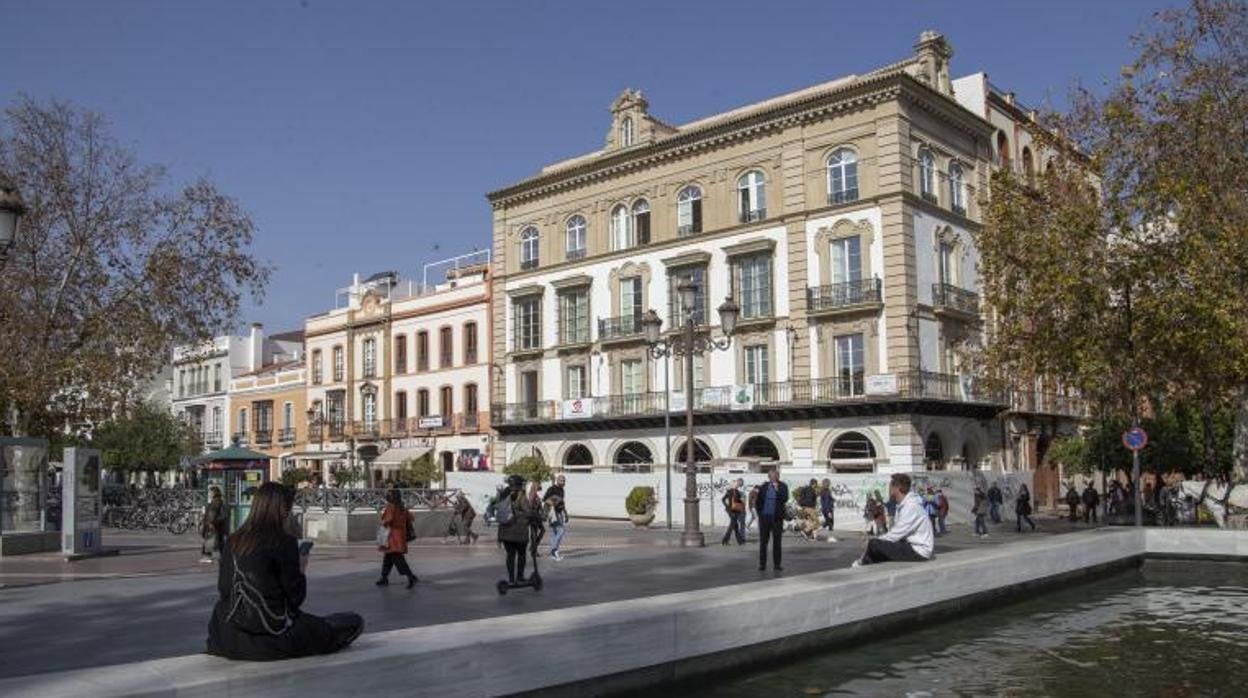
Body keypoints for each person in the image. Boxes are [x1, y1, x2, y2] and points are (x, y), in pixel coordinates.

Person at [206, 482, 363, 660]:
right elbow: (295, 599)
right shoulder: (282, 541)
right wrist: (301, 567)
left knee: (327, 623)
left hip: (227, 637)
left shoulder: (233, 541)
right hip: (269, 636)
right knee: (349, 623)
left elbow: (224, 589)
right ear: (283, 511)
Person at [851, 473, 934, 567]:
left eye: (890, 486)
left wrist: (872, 542)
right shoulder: (905, 505)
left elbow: (895, 534)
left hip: (919, 551)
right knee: (879, 548)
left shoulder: (911, 507)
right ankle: (865, 562)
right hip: (912, 546)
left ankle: (862, 563)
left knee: (874, 544)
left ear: (896, 488)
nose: (888, 489)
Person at [497, 475, 536, 584]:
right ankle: (519, 577)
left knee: (510, 555)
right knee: (521, 555)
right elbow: (528, 512)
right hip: (519, 532)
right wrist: (534, 515)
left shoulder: (504, 494)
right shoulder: (521, 496)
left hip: (504, 531)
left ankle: (511, 579)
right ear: (519, 484)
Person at [377, 489, 418, 588]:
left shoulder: (390, 506)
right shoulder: (402, 507)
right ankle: (384, 577)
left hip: (392, 537)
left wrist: (382, 521)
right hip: (400, 535)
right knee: (388, 557)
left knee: (397, 558)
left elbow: (388, 519)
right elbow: (412, 518)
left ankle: (410, 577)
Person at [754, 469, 789, 572]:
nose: (774, 478)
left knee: (777, 542)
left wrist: (777, 490)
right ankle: (762, 564)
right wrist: (760, 514)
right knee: (763, 542)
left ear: (778, 476)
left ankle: (777, 565)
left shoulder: (783, 486)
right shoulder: (764, 486)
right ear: (769, 477)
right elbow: (758, 501)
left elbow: (785, 498)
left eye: (776, 476)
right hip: (764, 518)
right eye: (772, 476)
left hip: (777, 518)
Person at [543, 474, 568, 559]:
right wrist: (554, 503)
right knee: (561, 531)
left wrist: (565, 513)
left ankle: (553, 553)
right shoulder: (552, 489)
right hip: (553, 513)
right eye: (561, 480)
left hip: (559, 513)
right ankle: (554, 550)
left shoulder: (562, 490)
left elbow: (562, 502)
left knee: (556, 533)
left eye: (564, 481)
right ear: (557, 481)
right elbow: (545, 499)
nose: (563, 482)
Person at [200, 486, 227, 563]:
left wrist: (210, 522)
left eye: (210, 492)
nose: (209, 494)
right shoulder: (218, 501)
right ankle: (223, 556)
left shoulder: (215, 502)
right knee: (218, 541)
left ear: (214, 493)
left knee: (211, 540)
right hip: (217, 524)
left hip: (212, 524)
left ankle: (208, 556)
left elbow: (212, 514)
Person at [721, 479, 746, 546]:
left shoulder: (734, 491)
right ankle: (725, 540)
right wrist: (728, 506)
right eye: (736, 484)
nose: (737, 485)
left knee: (735, 526)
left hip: (734, 510)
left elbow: (723, 499)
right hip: (732, 511)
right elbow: (723, 499)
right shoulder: (733, 492)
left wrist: (727, 507)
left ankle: (739, 541)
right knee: (732, 526)